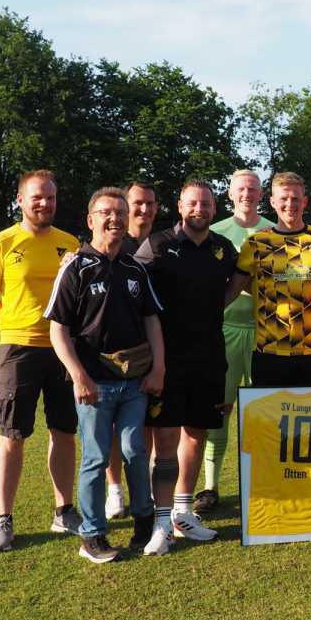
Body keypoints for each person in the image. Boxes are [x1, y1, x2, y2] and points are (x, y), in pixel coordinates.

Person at [45, 188, 165, 563]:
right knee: (96, 458)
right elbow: (58, 329)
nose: (114, 219)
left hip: (133, 381)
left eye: (120, 213)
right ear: (90, 219)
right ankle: (93, 535)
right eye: (106, 212)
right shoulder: (75, 267)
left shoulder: (135, 268)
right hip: (93, 384)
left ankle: (144, 521)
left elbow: (152, 320)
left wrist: (158, 368)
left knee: (134, 451)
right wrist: (78, 375)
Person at [0, 170, 81, 553]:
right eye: (37, 197)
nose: (45, 203)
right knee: (12, 435)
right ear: (20, 199)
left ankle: (64, 511)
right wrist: (16, 325)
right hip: (18, 350)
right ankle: (3, 519)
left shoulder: (69, 244)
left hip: (63, 349)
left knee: (64, 431)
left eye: (50, 197)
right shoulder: (1, 243)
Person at [134, 181, 238, 553]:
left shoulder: (223, 248)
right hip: (167, 359)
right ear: (180, 206)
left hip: (209, 356)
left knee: (197, 433)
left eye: (206, 204)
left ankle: (182, 513)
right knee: (165, 438)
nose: (200, 209)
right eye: (193, 203)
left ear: (214, 208)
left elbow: (236, 283)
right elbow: (133, 287)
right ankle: (161, 521)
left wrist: (212, 308)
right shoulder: (158, 245)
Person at [225, 173, 311, 388]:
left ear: (305, 202)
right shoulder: (256, 243)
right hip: (269, 351)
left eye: (295, 199)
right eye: (284, 198)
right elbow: (232, 291)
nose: (290, 204)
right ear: (273, 202)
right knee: (266, 411)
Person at [198, 169, 274, 512]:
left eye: (253, 189)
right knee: (220, 407)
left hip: (265, 332)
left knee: (264, 410)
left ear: (262, 194)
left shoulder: (273, 230)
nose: (247, 194)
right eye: (241, 188)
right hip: (225, 329)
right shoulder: (216, 232)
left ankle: (265, 481)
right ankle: (210, 486)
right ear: (230, 193)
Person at [105, 181, 159, 521]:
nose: (145, 209)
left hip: (151, 349)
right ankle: (115, 491)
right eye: (138, 203)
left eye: (151, 204)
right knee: (113, 428)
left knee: (148, 424)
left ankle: (147, 489)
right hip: (113, 353)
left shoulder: (162, 244)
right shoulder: (111, 242)